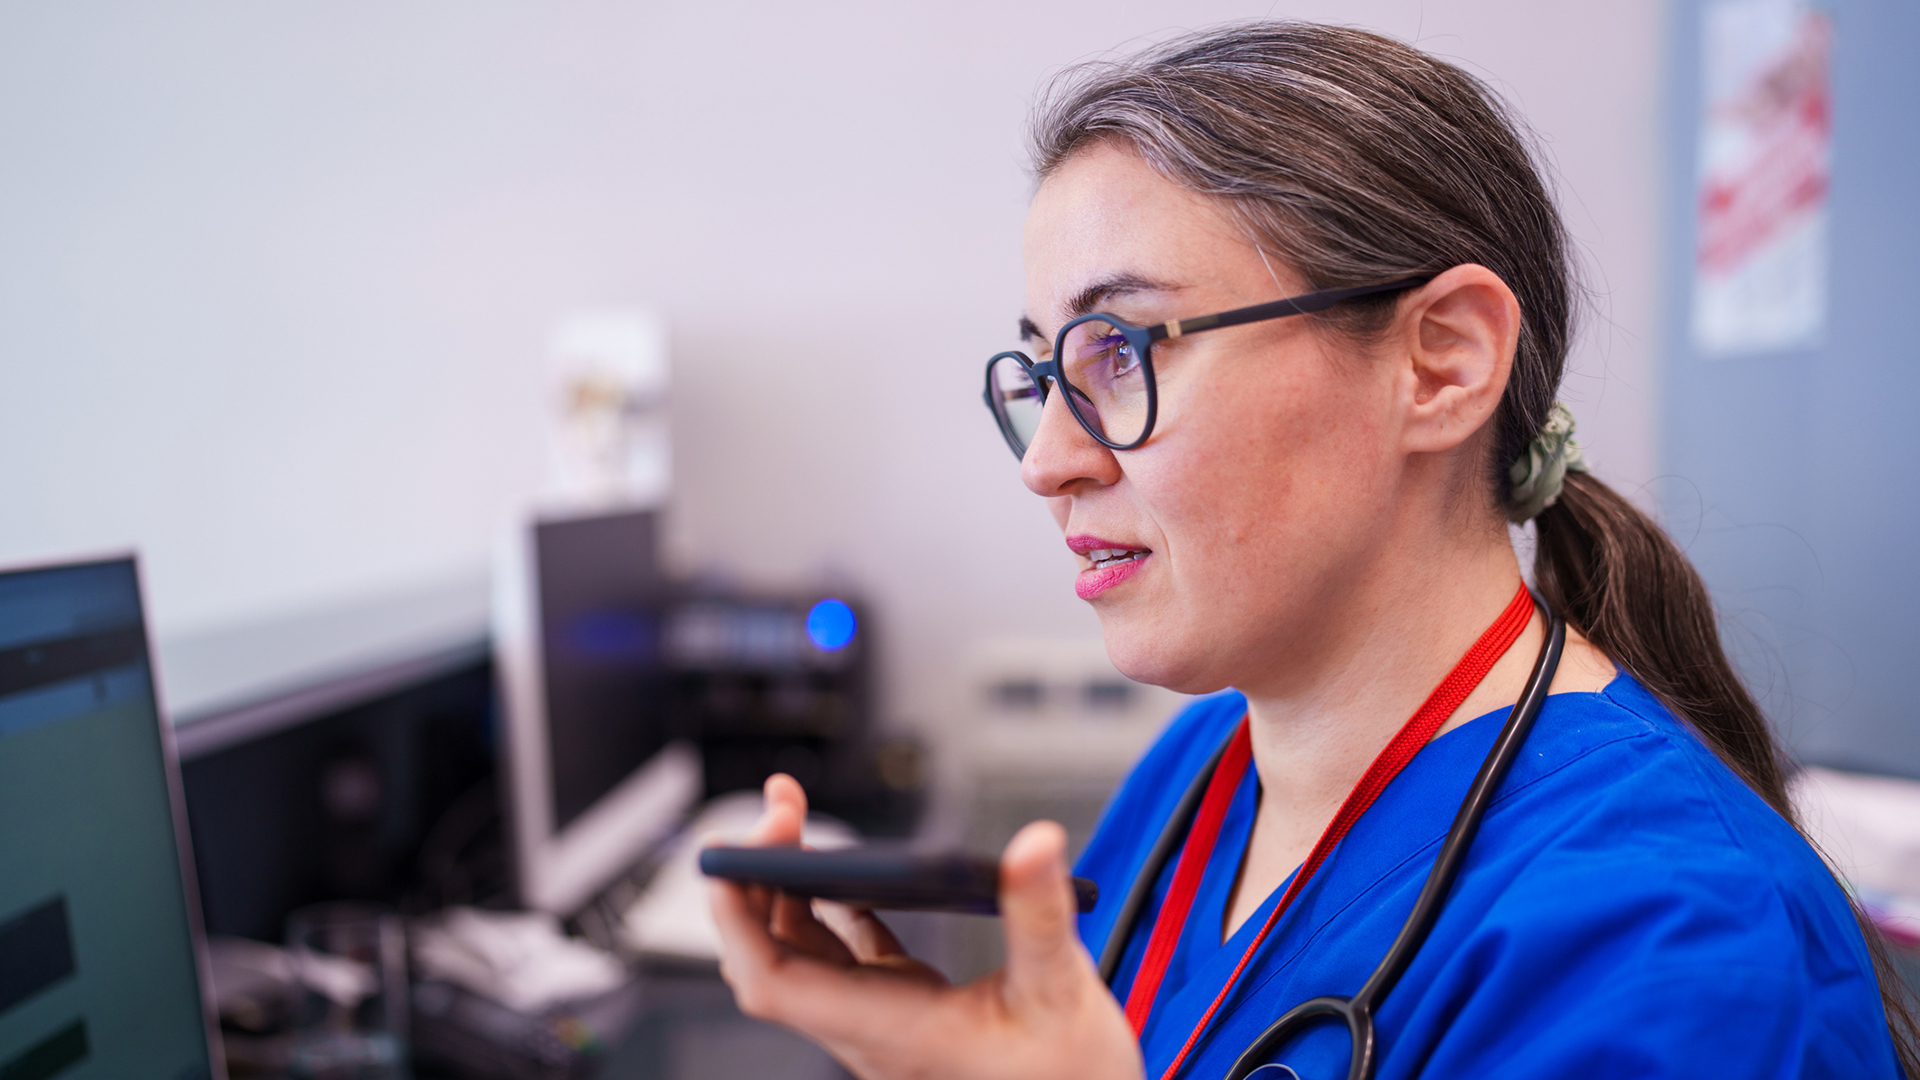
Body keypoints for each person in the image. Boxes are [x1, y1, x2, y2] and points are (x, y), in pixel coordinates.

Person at [708, 22, 1919, 1080]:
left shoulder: (1677, 941)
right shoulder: (1197, 778)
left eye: (1122, 352)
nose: (1048, 461)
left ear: (1440, 362)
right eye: (1043, 373)